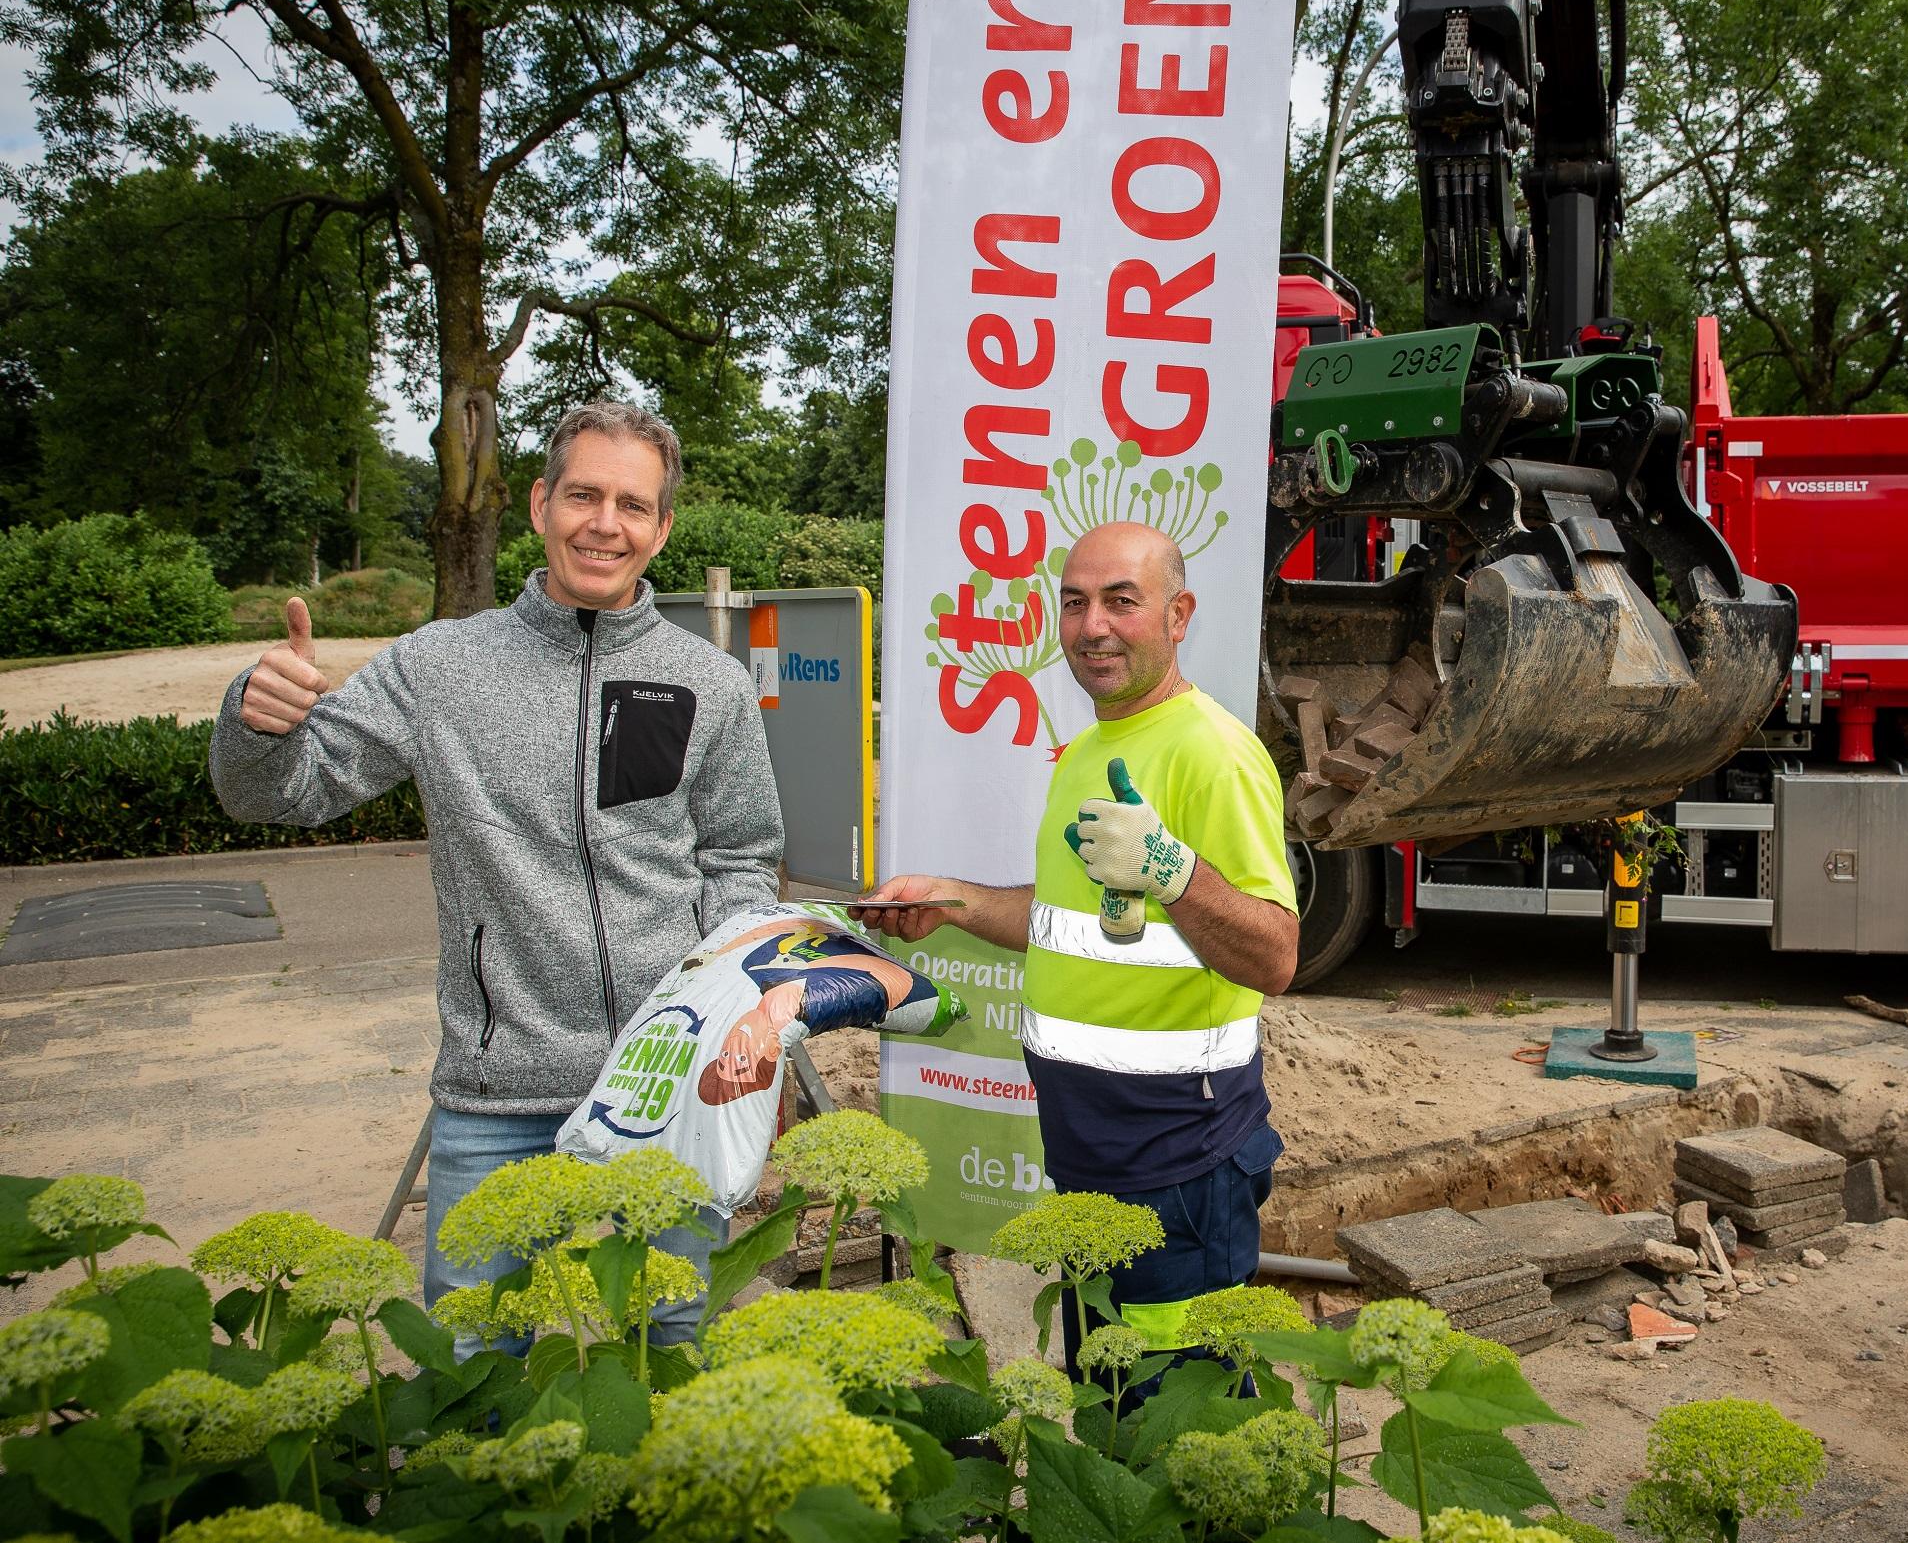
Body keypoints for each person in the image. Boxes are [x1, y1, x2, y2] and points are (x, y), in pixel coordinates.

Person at [210, 401, 782, 1345]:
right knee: (472, 1355)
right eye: (585, 495)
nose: (606, 524)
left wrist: (729, 1004)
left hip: (667, 1080)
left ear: (662, 528)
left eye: (633, 505)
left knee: (674, 1337)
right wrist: (258, 721)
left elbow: (740, 855)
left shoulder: (706, 682)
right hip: (499, 1089)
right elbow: (284, 793)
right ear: (539, 503)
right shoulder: (439, 666)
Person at [855, 521, 1300, 1353]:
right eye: (1074, 603)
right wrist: (951, 901)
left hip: (1182, 1167)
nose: (1092, 626)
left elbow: (1275, 956)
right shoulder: (1091, 749)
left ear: (1178, 616)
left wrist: (1172, 869)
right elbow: (1065, 923)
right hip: (1093, 1159)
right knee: (1112, 1408)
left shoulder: (1213, 753)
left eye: (1121, 602)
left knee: (1182, 1429)